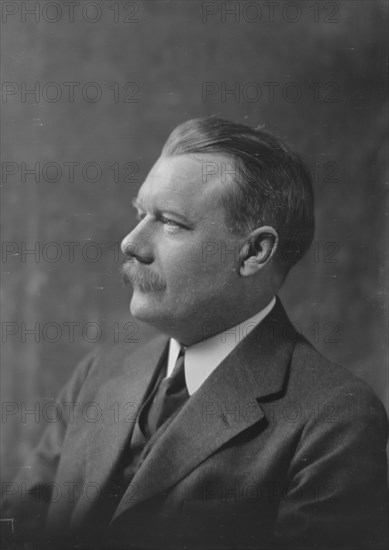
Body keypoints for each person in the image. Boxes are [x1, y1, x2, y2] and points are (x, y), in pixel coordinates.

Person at [2, 118, 388, 549]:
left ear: (254, 253)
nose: (131, 243)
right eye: (140, 213)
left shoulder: (334, 422)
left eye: (170, 222)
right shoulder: (99, 374)